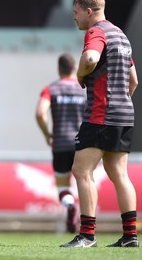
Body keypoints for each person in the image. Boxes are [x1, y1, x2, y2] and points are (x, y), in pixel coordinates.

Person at [60, 0, 139, 248]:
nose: (75, 18)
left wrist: (81, 76)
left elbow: (91, 58)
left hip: (101, 113)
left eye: (76, 13)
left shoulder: (96, 32)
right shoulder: (122, 35)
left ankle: (87, 235)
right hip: (124, 114)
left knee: (81, 170)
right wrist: (121, 101)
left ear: (89, 12)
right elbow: (134, 80)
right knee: (119, 174)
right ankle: (130, 236)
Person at [35, 53, 86, 233]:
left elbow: (40, 113)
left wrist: (47, 134)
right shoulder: (84, 89)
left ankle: (70, 206)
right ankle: (88, 226)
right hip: (83, 145)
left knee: (63, 187)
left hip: (61, 144)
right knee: (86, 182)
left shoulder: (52, 89)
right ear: (74, 69)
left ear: (59, 69)